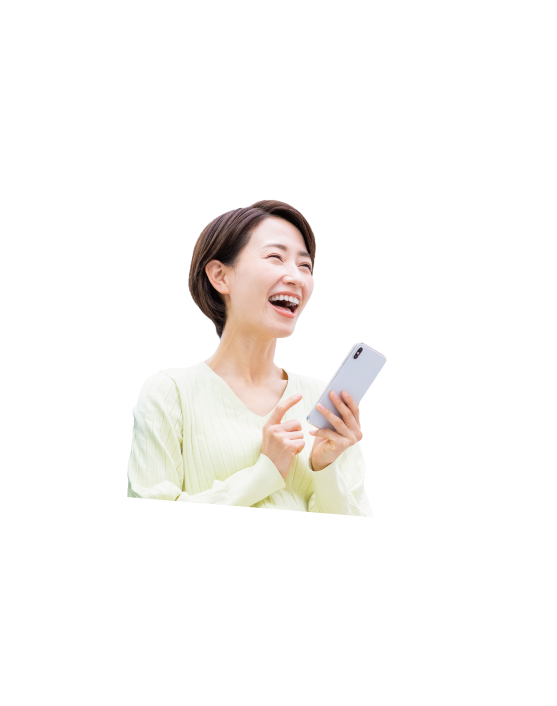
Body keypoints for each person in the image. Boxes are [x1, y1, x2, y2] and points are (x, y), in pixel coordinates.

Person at [127, 200, 373, 514]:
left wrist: (324, 467)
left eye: (305, 266)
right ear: (220, 276)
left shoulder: (324, 401)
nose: (297, 277)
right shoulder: (170, 391)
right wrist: (266, 472)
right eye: (276, 257)